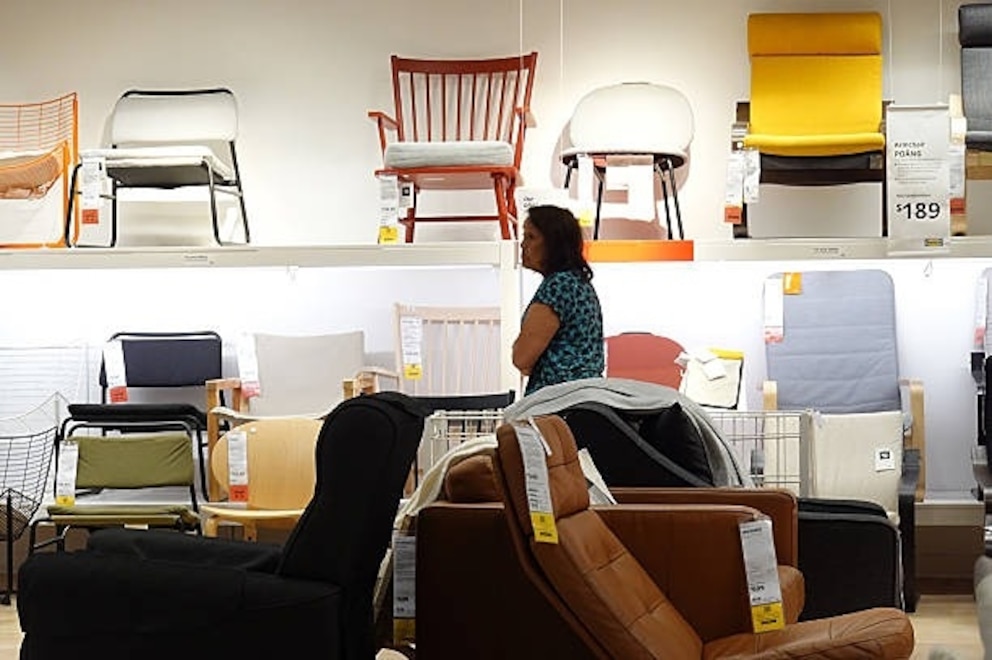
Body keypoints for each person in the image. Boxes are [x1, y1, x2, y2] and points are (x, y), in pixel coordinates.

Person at [512, 205, 604, 395]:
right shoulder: (579, 283)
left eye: (531, 237)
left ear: (553, 243)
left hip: (557, 399)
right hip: (584, 395)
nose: (523, 245)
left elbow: (522, 358)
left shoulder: (558, 286)